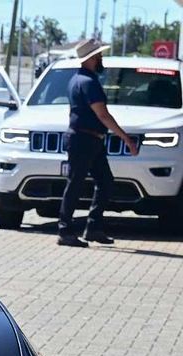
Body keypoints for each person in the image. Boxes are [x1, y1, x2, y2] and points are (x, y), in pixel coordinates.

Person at [57, 39, 139, 247]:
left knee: (105, 182)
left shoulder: (78, 79)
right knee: (75, 183)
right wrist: (126, 139)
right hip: (84, 139)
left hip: (91, 140)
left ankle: (93, 228)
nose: (101, 59)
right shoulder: (88, 83)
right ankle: (65, 230)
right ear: (91, 58)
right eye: (99, 56)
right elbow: (103, 115)